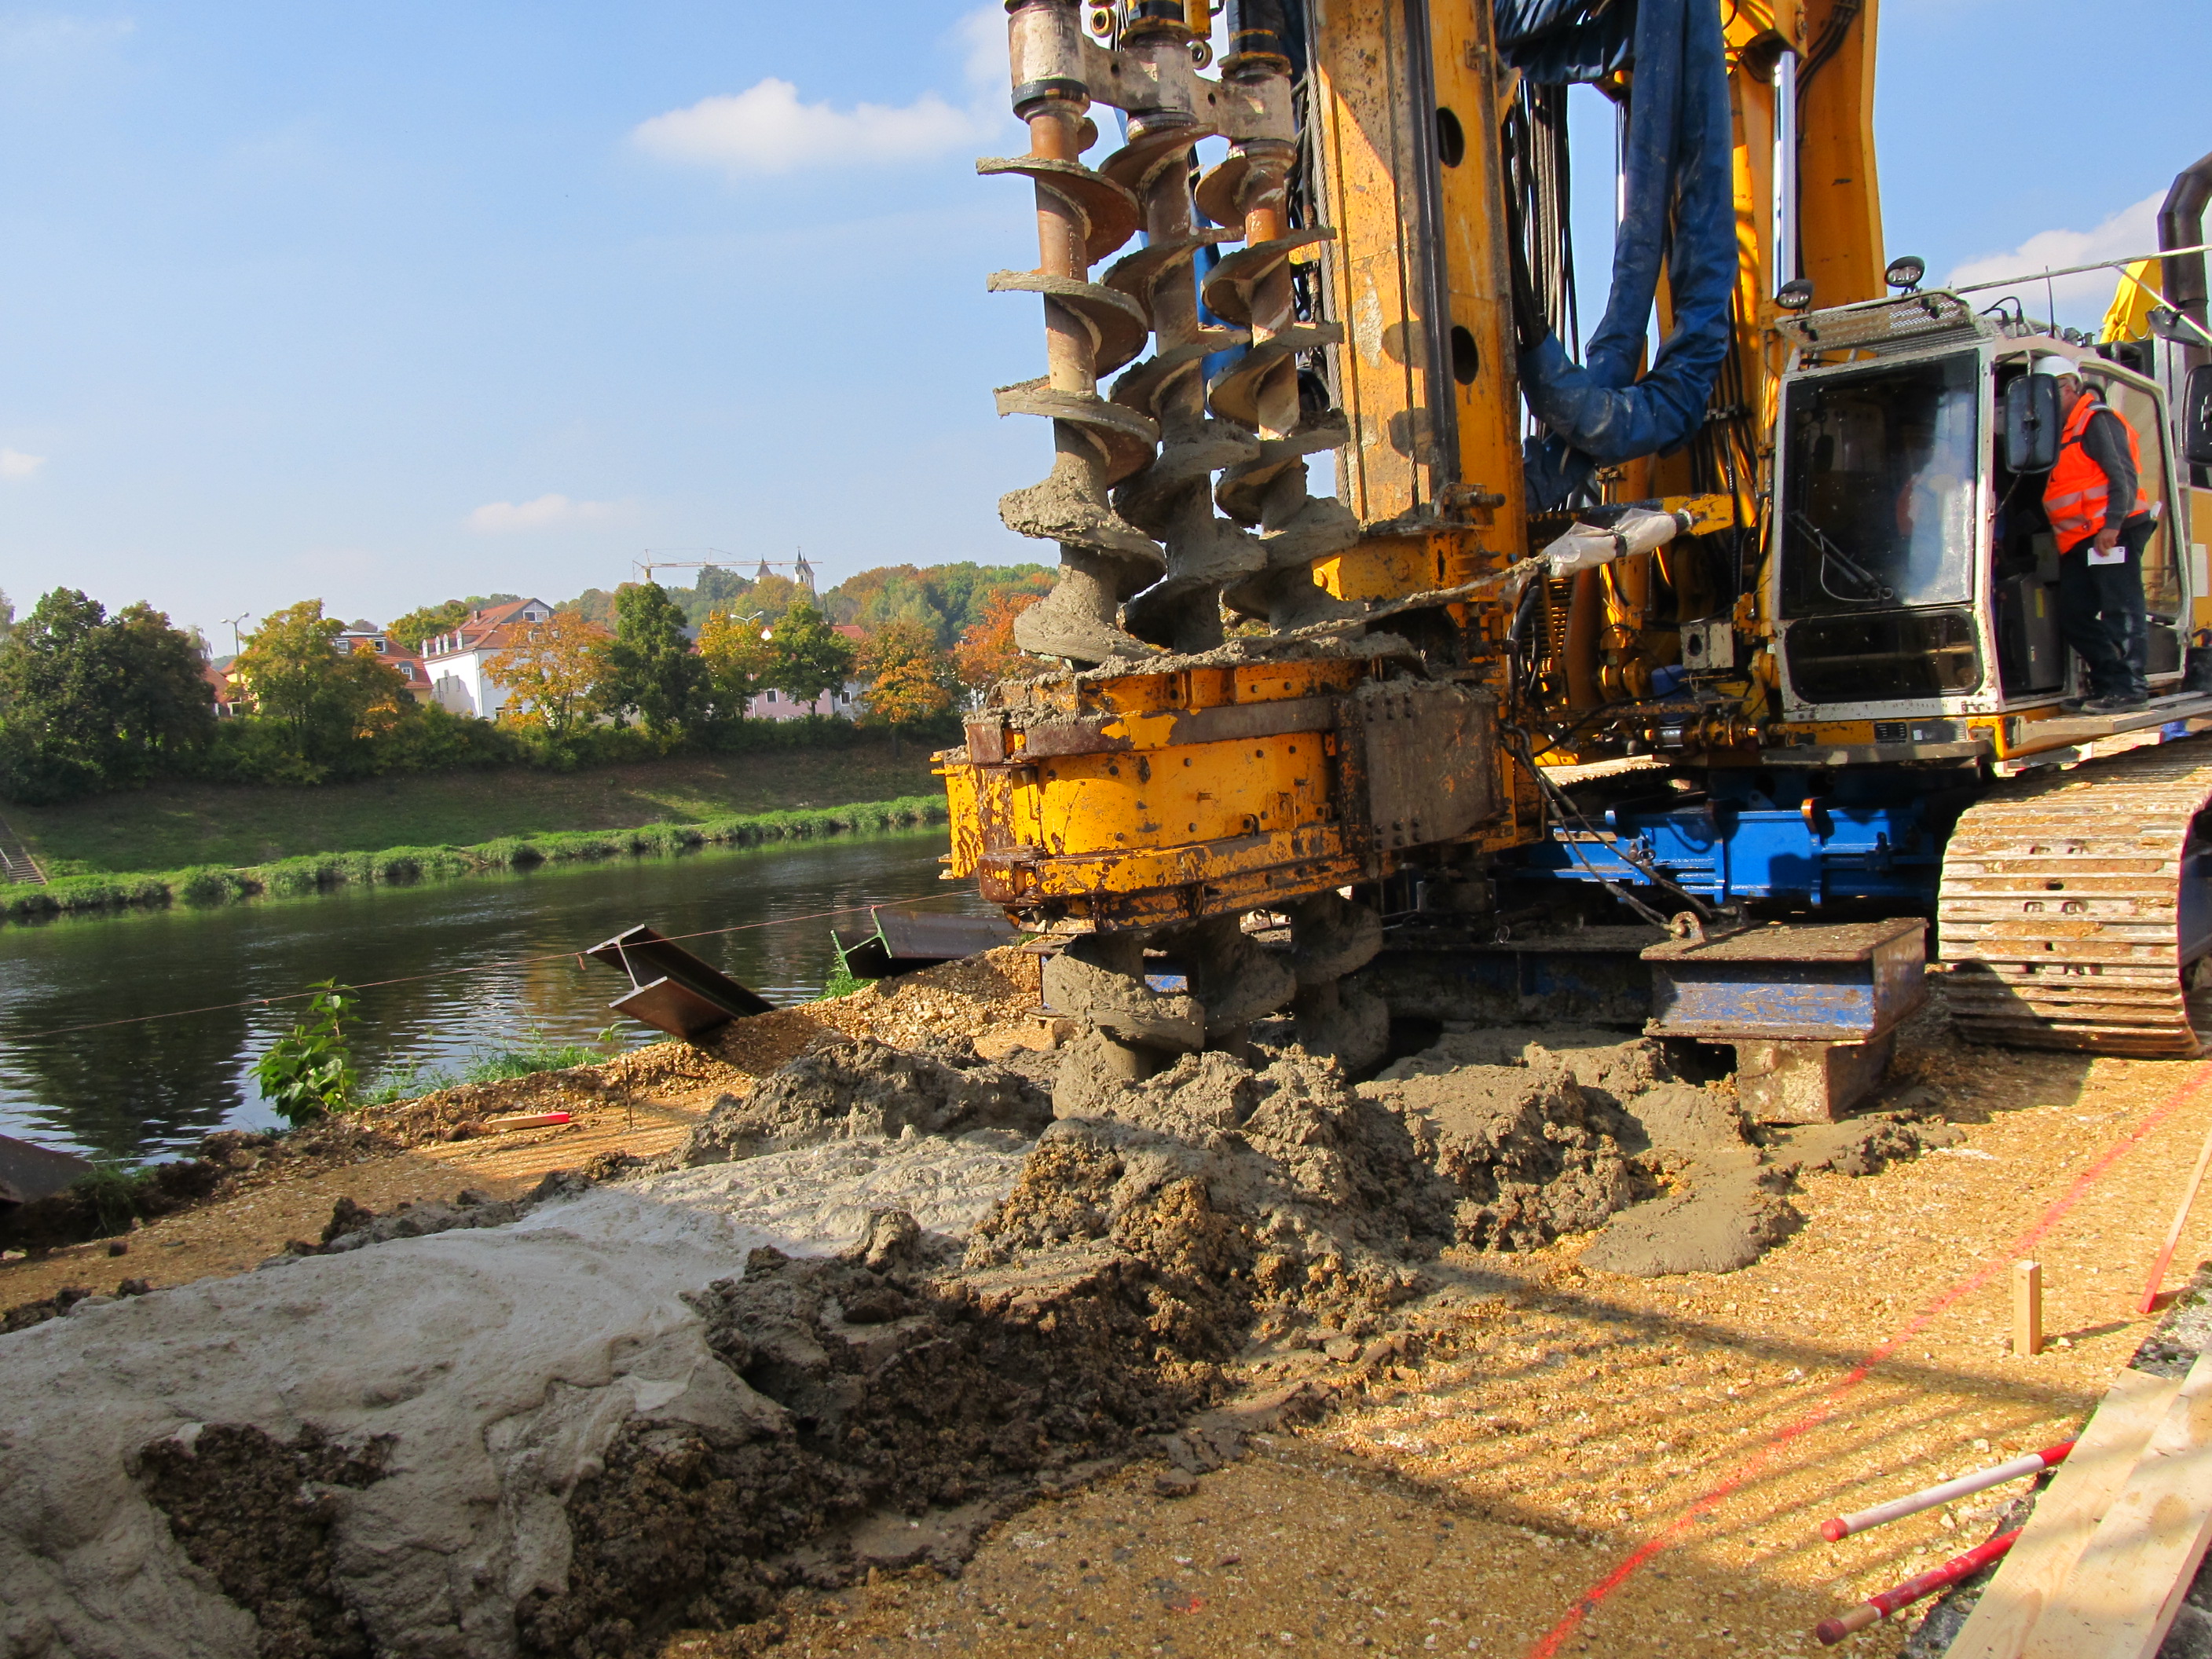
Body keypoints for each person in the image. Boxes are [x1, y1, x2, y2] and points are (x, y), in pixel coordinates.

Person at [2038, 353, 2158, 713]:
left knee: (2121, 610)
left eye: (2053, 390)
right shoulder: (2059, 432)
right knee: (2075, 616)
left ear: (2071, 386)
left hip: (2111, 533)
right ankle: (2107, 684)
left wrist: (2112, 526)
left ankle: (2130, 688)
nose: (2047, 401)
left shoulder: (2097, 420)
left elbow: (2122, 475)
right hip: (2078, 540)